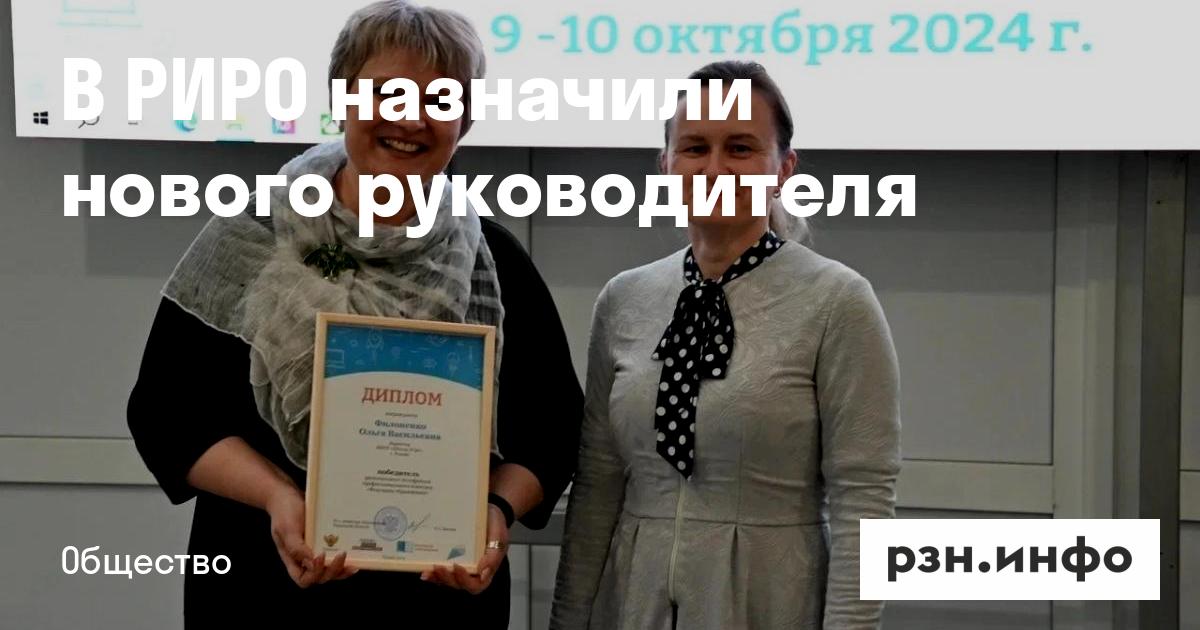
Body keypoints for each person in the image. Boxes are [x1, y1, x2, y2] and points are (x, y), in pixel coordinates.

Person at [126, 2, 582, 627]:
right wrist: (278, 497)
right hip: (262, 583)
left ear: (465, 121)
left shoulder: (493, 262)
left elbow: (551, 432)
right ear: (342, 100)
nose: (411, 119)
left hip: (439, 598)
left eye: (440, 100)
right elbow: (166, 412)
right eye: (388, 93)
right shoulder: (253, 237)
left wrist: (496, 512)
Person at [550, 60, 902, 629]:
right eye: (695, 148)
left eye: (740, 148)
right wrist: (567, 622)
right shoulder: (624, 299)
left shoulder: (837, 301)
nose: (714, 168)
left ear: (783, 168)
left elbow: (863, 499)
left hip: (771, 603)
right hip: (632, 604)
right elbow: (597, 487)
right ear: (666, 164)